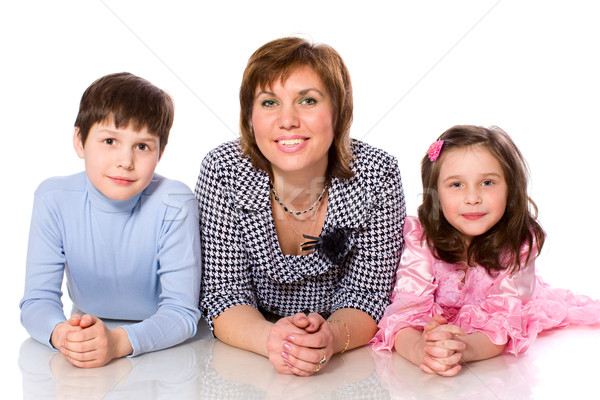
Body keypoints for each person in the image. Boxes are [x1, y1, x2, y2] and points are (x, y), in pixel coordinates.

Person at [195, 37, 406, 376]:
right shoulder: (224, 170)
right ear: (250, 116)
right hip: (246, 363)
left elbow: (369, 293)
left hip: (350, 368)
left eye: (307, 100)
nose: (287, 120)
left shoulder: (377, 175)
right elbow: (223, 291)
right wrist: (273, 339)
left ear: (338, 111)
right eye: (269, 103)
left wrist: (332, 338)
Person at [370, 125, 600, 376]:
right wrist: (419, 348)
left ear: (510, 188)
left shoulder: (520, 244)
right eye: (456, 184)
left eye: (487, 182)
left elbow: (506, 321)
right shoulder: (421, 237)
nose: (472, 198)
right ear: (435, 194)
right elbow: (405, 310)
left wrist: (463, 348)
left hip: (500, 316)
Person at [20, 72, 202, 368]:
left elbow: (181, 312)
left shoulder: (175, 202)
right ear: (80, 141)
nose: (126, 161)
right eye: (109, 141)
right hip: (89, 328)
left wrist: (118, 342)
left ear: (161, 152)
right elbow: (37, 301)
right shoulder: (53, 198)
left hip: (166, 352)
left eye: (142, 146)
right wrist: (60, 333)